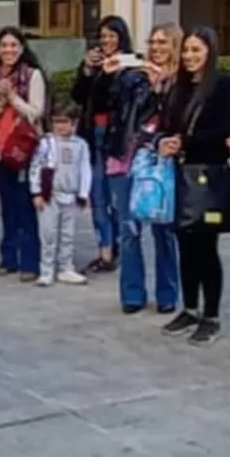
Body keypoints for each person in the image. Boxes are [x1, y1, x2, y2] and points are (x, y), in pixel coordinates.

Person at [158, 26, 230, 346]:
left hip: (210, 174)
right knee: (186, 245)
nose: (190, 57)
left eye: (197, 50)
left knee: (206, 247)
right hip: (181, 173)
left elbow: (225, 129)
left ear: (210, 52)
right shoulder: (178, 87)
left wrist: (186, 140)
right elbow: (167, 124)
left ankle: (212, 315)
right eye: (187, 51)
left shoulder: (224, 86)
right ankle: (189, 307)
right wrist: (166, 142)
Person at [105, 23, 183, 314]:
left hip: (163, 164)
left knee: (164, 231)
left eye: (164, 42)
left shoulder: (181, 83)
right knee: (129, 230)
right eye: (153, 42)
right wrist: (109, 74)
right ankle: (132, 294)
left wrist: (160, 90)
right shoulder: (134, 79)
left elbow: (174, 118)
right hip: (130, 159)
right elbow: (118, 107)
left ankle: (167, 293)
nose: (157, 48)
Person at [0, 26, 47, 280]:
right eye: (3, 46)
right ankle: (9, 257)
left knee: (25, 205)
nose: (8, 50)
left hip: (24, 149)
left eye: (13, 45)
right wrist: (0, 100)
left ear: (22, 48)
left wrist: (12, 96)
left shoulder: (32, 75)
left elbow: (36, 112)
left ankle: (30, 261)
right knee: (7, 206)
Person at [72, 15, 134, 273]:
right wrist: (86, 71)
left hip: (118, 139)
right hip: (93, 135)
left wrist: (114, 73)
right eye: (103, 35)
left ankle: (121, 246)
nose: (107, 41)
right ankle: (105, 253)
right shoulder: (94, 65)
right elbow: (78, 95)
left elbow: (128, 101)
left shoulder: (130, 66)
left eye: (112, 35)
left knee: (118, 198)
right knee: (97, 195)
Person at [28, 99, 90, 287]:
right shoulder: (47, 143)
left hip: (70, 195)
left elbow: (85, 169)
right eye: (56, 121)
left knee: (68, 234)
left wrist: (83, 194)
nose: (60, 126)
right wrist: (36, 191)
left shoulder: (80, 145)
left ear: (74, 123)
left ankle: (66, 268)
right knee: (48, 234)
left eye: (65, 121)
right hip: (50, 196)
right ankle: (46, 270)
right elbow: (36, 166)